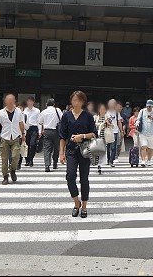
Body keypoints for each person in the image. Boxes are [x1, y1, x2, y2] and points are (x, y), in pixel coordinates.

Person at [58, 90, 97, 218]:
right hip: (71, 150)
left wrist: (82, 136)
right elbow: (62, 136)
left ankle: (84, 206)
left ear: (83, 102)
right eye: (74, 100)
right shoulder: (66, 116)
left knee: (84, 179)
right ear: (71, 101)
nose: (76, 103)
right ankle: (76, 202)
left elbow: (94, 134)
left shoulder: (88, 116)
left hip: (85, 151)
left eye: (79, 100)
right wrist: (61, 153)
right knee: (70, 176)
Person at [0, 93, 26, 185]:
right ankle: (5, 176)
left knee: (15, 157)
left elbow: (21, 123)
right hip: (5, 137)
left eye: (12, 100)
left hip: (15, 137)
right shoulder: (1, 112)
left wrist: (23, 134)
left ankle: (13, 170)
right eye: (8, 100)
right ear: (5, 101)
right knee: (4, 159)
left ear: (14, 101)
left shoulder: (18, 111)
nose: (10, 102)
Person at [38, 98, 62, 172]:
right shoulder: (58, 110)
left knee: (47, 149)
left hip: (47, 131)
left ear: (46, 104)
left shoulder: (44, 112)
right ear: (54, 104)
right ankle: (55, 162)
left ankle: (47, 165)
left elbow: (40, 122)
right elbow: (62, 119)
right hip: (56, 131)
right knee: (56, 148)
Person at [135, 100, 153, 167]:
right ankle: (143, 160)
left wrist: (152, 119)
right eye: (147, 106)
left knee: (150, 148)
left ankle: (149, 160)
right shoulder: (142, 111)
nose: (148, 107)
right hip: (143, 132)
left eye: (150, 106)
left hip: (152, 133)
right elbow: (138, 119)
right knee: (143, 146)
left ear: (152, 106)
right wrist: (137, 123)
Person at [23, 97, 41, 167]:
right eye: (28, 101)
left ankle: (31, 159)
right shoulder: (25, 110)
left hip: (34, 128)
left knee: (32, 144)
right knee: (26, 145)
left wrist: (39, 131)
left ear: (33, 102)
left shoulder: (37, 111)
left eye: (31, 101)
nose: (29, 103)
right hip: (26, 128)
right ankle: (27, 159)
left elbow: (38, 121)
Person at [105, 99, 123, 167]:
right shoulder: (106, 112)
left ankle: (111, 161)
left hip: (115, 132)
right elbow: (104, 121)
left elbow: (119, 122)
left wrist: (121, 131)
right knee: (108, 147)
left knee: (113, 147)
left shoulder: (116, 113)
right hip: (108, 132)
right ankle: (108, 159)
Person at [94, 104, 109, 175]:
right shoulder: (95, 117)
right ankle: (98, 165)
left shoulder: (107, 117)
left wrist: (107, 123)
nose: (102, 110)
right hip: (97, 137)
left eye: (104, 109)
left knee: (102, 152)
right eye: (101, 109)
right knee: (97, 151)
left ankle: (100, 164)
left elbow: (110, 125)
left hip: (104, 137)